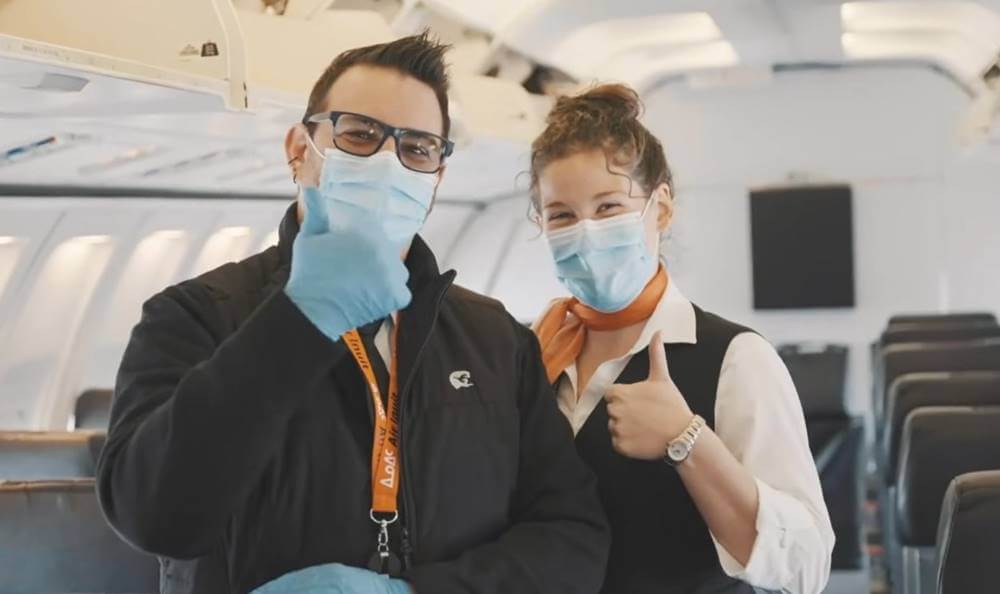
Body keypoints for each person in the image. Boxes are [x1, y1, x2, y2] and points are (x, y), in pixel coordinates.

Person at [96, 33, 609, 594]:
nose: (388, 162)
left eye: (417, 148)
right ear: (299, 148)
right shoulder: (195, 317)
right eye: (360, 134)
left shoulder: (495, 339)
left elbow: (571, 537)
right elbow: (155, 518)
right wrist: (296, 322)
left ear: (436, 177)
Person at [528, 84, 835, 594]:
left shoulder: (736, 359)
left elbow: (805, 567)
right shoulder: (529, 356)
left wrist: (688, 440)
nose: (585, 233)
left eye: (607, 208)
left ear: (661, 209)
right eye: (562, 215)